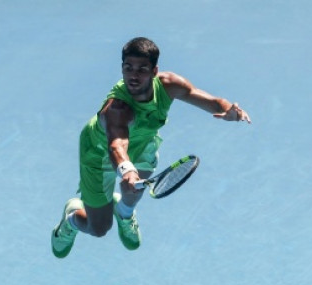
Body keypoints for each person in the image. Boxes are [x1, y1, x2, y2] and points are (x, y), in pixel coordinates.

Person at [51, 37, 251, 258]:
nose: (134, 75)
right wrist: (127, 170)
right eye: (128, 68)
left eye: (142, 69)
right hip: (100, 154)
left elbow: (213, 102)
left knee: (135, 189)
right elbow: (116, 145)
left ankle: (125, 214)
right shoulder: (117, 109)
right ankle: (70, 220)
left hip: (143, 144)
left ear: (155, 71)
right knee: (99, 229)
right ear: (122, 68)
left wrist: (229, 111)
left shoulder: (170, 85)